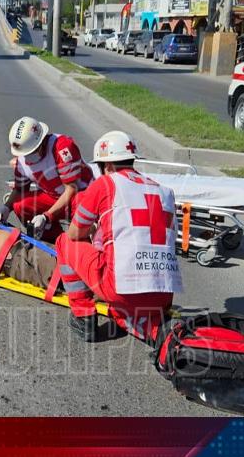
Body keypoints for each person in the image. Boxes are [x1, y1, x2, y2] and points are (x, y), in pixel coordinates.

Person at [54, 131, 183, 343]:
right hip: (163, 295)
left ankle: (83, 316)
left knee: (64, 242)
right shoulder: (165, 191)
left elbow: (75, 233)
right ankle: (155, 332)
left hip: (121, 289)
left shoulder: (105, 184)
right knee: (120, 312)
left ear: (108, 166)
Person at [0, 117, 93, 242]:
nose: (28, 157)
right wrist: (6, 207)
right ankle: (54, 242)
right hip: (55, 198)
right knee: (20, 205)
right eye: (25, 154)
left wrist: (47, 216)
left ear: (41, 142)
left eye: (32, 151)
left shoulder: (62, 147)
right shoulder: (22, 162)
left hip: (79, 194)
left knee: (80, 204)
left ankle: (82, 245)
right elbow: (20, 189)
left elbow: (71, 189)